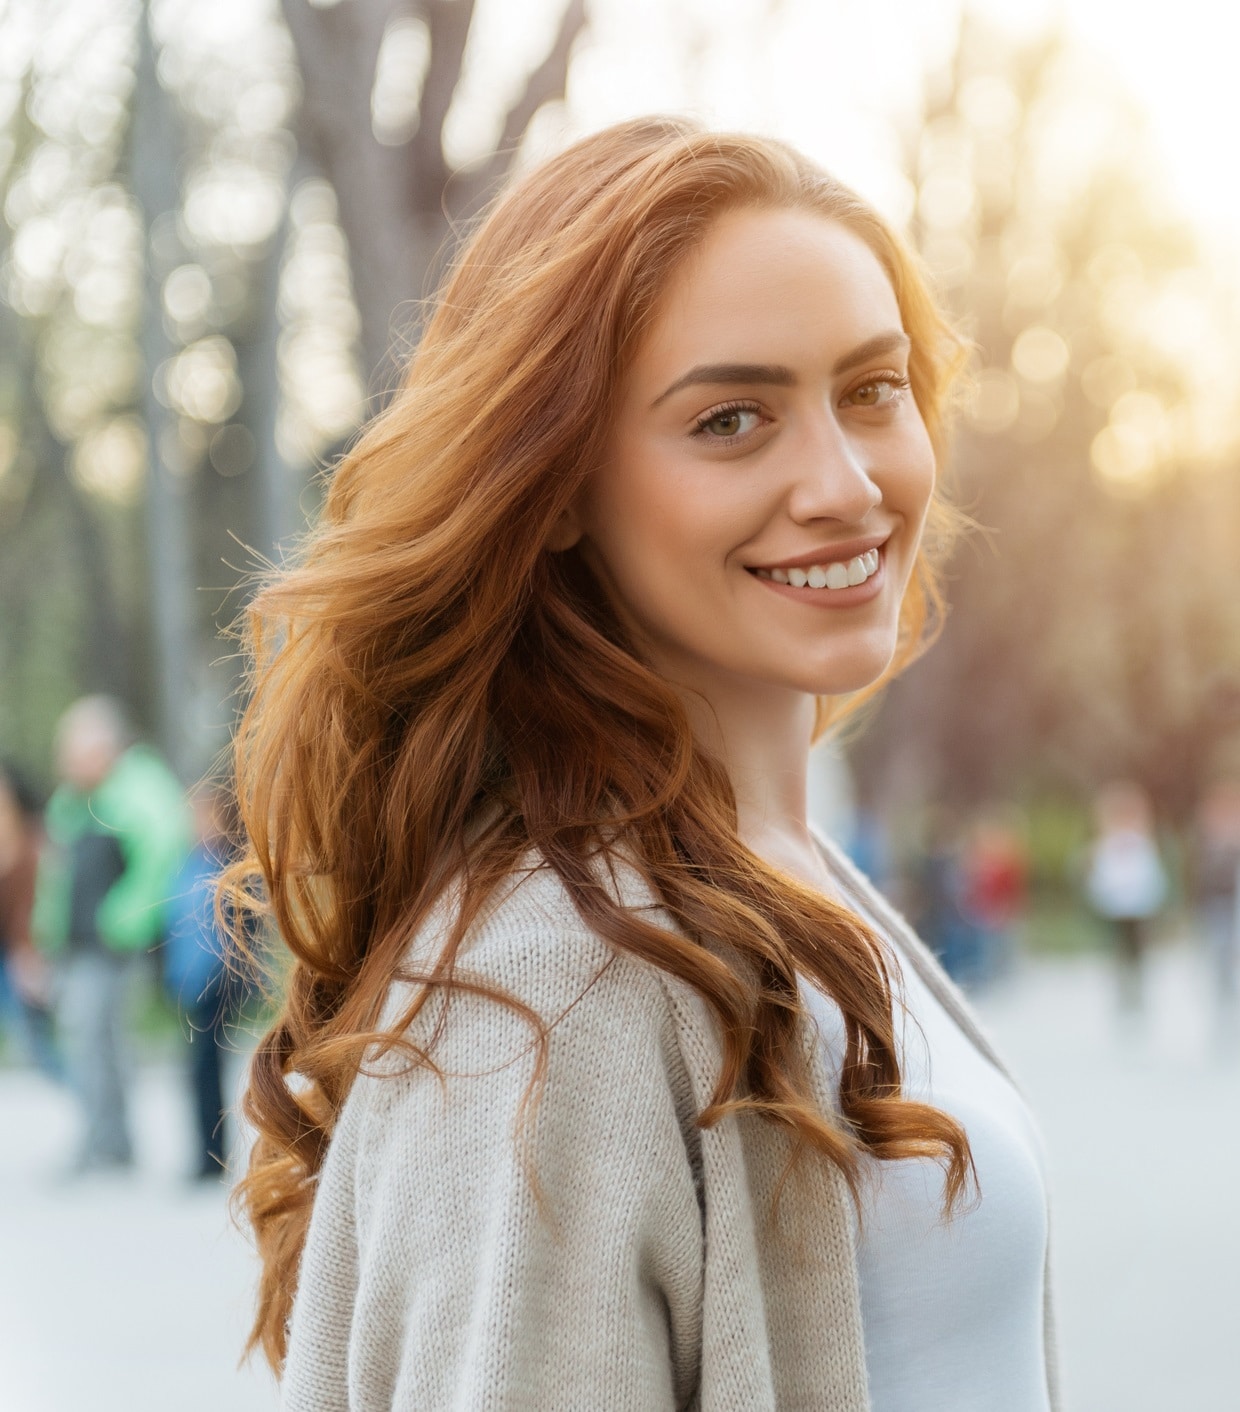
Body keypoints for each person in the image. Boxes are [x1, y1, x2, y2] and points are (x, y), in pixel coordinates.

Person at [228, 119, 1058, 1409]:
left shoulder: (779, 870)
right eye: (731, 419)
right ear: (555, 488)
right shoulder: (562, 983)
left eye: (870, 388)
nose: (842, 483)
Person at [31, 696, 191, 1173]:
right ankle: (108, 1140)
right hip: (75, 945)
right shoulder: (73, 801)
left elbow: (161, 859)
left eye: (73, 750)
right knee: (89, 1041)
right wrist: (45, 933)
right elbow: (55, 876)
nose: (66, 761)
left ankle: (106, 1143)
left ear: (104, 748)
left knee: (96, 1038)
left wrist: (122, 918)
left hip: (113, 946)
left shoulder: (140, 789)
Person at [163, 782, 256, 1180]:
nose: (200, 823)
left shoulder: (232, 866)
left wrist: (229, 978)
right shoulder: (188, 863)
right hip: (186, 981)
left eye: (207, 815)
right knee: (192, 1069)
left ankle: (213, 1155)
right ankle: (203, 1151)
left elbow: (245, 932)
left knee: (207, 1067)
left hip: (215, 983)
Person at [1084, 780, 1168, 1014]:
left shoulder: (1142, 846)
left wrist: (1151, 901)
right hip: (1116, 909)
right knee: (1120, 952)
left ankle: (1137, 991)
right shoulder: (1105, 847)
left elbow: (1152, 878)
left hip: (1139, 909)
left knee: (1138, 953)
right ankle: (1123, 992)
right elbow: (1100, 879)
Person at [0, 761, 60, 1079]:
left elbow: (35, 904)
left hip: (20, 952)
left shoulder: (33, 843)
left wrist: (30, 952)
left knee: (37, 1043)